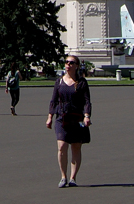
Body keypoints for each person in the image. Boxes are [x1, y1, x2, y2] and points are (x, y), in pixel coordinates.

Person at [47, 55, 92, 188]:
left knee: (76, 147)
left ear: (76, 66)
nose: (68, 64)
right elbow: (53, 100)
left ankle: (73, 178)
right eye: (66, 62)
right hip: (62, 118)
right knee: (61, 147)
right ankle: (63, 176)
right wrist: (50, 116)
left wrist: (87, 115)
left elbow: (87, 101)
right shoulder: (59, 82)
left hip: (77, 118)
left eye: (71, 63)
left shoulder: (82, 82)